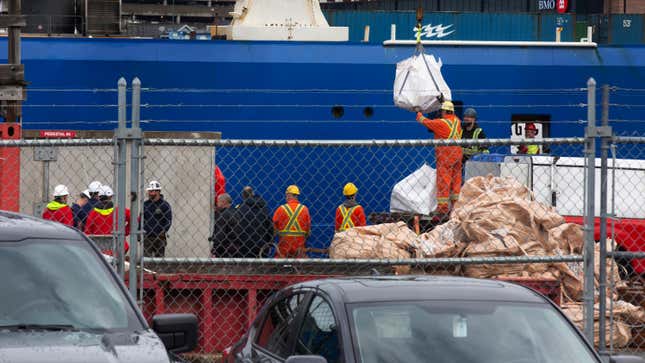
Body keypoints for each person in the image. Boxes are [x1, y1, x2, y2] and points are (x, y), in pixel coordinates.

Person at [416, 101, 463, 214]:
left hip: (446, 155)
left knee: (444, 181)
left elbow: (425, 121)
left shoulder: (441, 123)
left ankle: (442, 209)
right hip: (457, 154)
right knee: (456, 181)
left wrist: (418, 112)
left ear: (444, 111)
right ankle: (456, 207)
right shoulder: (457, 121)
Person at [84, 185, 130, 255]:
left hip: (99, 249)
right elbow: (135, 219)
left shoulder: (93, 213)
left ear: (99, 197)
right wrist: (125, 231)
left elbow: (87, 232)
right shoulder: (120, 211)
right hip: (119, 246)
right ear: (110, 197)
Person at [272, 185, 311, 258]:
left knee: (280, 261)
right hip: (299, 244)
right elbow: (308, 230)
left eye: (286, 195)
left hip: (284, 243)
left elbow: (274, 226)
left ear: (289, 195)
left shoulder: (281, 209)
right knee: (300, 262)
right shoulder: (304, 209)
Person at [235, 186, 273, 258]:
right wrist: (270, 242)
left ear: (243, 196)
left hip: (245, 245)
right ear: (253, 193)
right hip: (262, 244)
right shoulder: (263, 207)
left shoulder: (240, 209)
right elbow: (270, 226)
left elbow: (236, 227)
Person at [142, 180, 173, 258]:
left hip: (159, 237)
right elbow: (141, 219)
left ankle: (159, 270)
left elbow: (168, 221)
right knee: (146, 260)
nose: (149, 193)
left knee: (159, 260)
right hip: (147, 237)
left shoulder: (164, 205)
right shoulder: (145, 205)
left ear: (158, 191)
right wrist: (140, 231)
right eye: (149, 191)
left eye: (152, 191)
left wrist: (162, 232)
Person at [210, 193, 238, 257]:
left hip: (224, 249)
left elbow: (220, 235)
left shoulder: (223, 215)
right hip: (236, 248)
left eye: (218, 202)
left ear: (223, 202)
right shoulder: (236, 212)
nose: (217, 204)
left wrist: (214, 250)